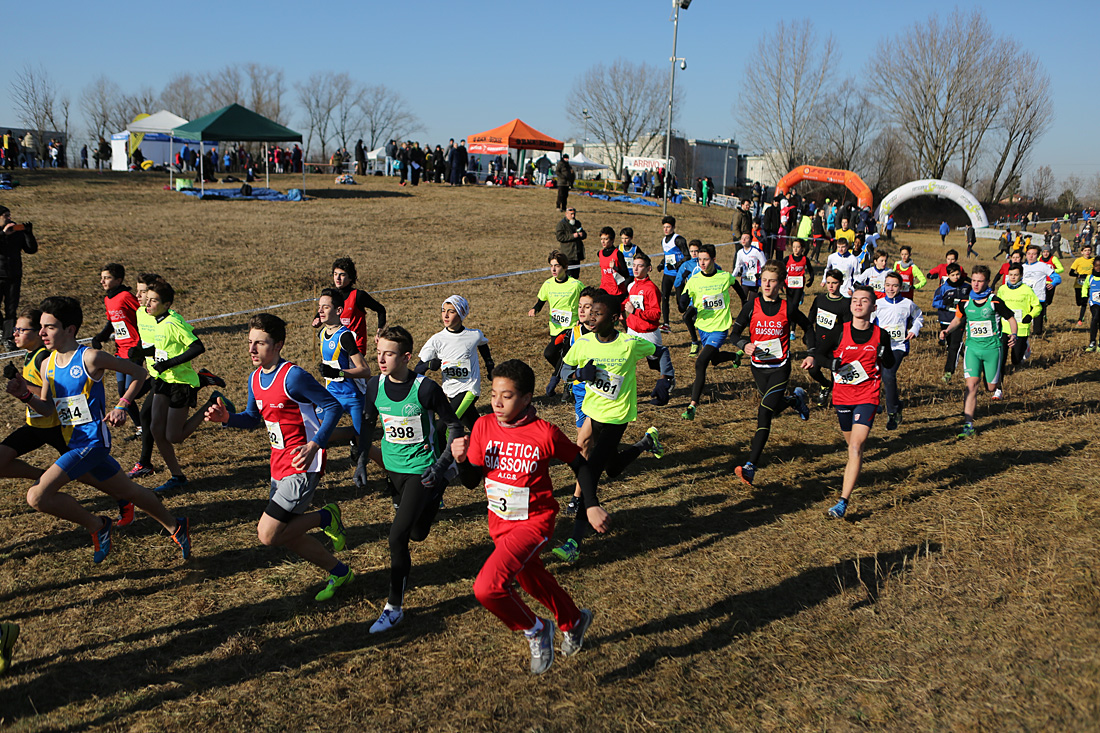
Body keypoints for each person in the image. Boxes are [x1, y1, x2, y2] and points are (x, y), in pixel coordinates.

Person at [6, 296, 191, 562]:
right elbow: (47, 409)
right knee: (129, 491)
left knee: (37, 496)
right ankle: (176, 525)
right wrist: (24, 395)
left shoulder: (90, 358)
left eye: (50, 327)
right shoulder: (47, 364)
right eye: (42, 327)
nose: (42, 333)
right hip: (74, 443)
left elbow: (139, 374)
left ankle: (98, 525)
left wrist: (122, 405)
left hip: (92, 443)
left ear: (69, 330)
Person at [455, 359, 603, 674]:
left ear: (526, 399)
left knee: (487, 587)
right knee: (531, 578)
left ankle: (536, 629)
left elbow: (581, 464)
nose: (496, 402)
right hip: (500, 524)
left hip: (535, 522)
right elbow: (470, 480)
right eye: (494, 393)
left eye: (506, 396)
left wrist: (590, 503)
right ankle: (574, 620)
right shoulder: (483, 426)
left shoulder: (544, 434)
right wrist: (459, 459)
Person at [205, 314, 351, 602]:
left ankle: (325, 516)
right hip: (277, 465)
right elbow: (251, 418)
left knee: (268, 534)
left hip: (301, 464)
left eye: (260, 343)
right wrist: (226, 419)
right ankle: (340, 572)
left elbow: (333, 408)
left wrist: (314, 445)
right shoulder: (255, 378)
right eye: (250, 342)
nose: (252, 349)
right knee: (289, 535)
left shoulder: (293, 377)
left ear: (278, 344)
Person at [353, 325, 465, 633]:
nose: (381, 359)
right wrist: (363, 460)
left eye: (389, 353)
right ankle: (436, 494)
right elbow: (367, 424)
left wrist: (441, 466)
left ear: (406, 356)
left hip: (422, 469)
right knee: (417, 534)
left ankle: (394, 608)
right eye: (378, 353)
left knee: (396, 537)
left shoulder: (426, 389)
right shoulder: (375, 386)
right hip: (393, 469)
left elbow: (454, 428)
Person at [554, 292, 663, 562]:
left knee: (590, 472)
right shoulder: (584, 342)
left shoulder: (628, 343)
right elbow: (563, 371)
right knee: (612, 468)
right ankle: (646, 443)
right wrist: (580, 374)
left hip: (617, 417)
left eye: (597, 313)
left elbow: (659, 351)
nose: (590, 317)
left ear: (614, 318)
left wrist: (665, 377)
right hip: (592, 413)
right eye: (589, 312)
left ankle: (574, 542)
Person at [128, 279, 223, 493]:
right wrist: (142, 353)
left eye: (153, 301)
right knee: (155, 428)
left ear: (167, 303)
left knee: (174, 436)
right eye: (148, 300)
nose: (148, 304)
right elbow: (163, 351)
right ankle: (177, 476)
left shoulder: (174, 322)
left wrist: (168, 364)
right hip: (164, 380)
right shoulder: (158, 322)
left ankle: (211, 401)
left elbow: (198, 347)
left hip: (181, 383)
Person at [729, 261, 814, 486]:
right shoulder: (751, 305)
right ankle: (795, 400)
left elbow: (808, 328)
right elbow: (734, 333)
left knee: (765, 410)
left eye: (772, 281)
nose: (767, 285)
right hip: (758, 367)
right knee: (774, 405)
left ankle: (750, 466)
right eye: (764, 280)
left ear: (780, 284)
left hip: (780, 367)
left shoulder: (788, 307)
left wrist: (811, 352)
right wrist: (743, 344)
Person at [814, 285, 895, 519]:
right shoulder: (840, 330)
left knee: (855, 447)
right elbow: (819, 354)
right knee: (852, 448)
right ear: (850, 306)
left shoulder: (881, 335)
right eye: (855, 300)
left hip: (868, 395)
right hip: (842, 397)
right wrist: (832, 364)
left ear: (873, 307)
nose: (858, 304)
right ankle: (856, 465)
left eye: (864, 301)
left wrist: (883, 354)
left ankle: (842, 502)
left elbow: (889, 364)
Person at [939, 266, 1017, 436]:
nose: (975, 284)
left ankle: (991, 380)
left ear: (987, 282)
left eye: (980, 281)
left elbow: (1011, 318)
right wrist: (947, 331)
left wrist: (1014, 334)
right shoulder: (965, 302)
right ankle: (968, 425)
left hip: (992, 349)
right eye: (973, 280)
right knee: (971, 385)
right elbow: (957, 320)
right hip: (972, 349)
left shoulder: (994, 301)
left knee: (990, 387)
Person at [415, 294, 494, 432]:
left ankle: (449, 454)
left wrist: (490, 366)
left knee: (443, 429)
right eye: (443, 310)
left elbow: (483, 344)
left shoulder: (473, 335)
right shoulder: (436, 340)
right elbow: (417, 369)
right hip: (450, 392)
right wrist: (428, 365)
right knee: (476, 428)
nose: (445, 315)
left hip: (470, 390)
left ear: (462, 314)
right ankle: (492, 447)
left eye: (451, 311)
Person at [680, 244, 741, 421]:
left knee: (701, 362)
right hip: (703, 327)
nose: (703, 263)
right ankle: (734, 356)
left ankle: (692, 405)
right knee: (714, 359)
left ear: (714, 260)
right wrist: (682, 301)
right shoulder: (695, 279)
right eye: (700, 259)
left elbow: (738, 288)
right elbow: (684, 299)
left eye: (706, 259)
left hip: (720, 328)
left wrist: (746, 305)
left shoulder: (724, 277)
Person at [316, 288, 372, 450]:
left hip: (352, 396)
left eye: (325, 307)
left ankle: (357, 437)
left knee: (365, 447)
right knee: (318, 432)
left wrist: (339, 373)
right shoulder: (322, 333)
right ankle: (352, 434)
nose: (320, 310)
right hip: (332, 394)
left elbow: (365, 370)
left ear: (338, 310)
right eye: (320, 306)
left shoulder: (345, 336)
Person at [90, 263, 143, 429]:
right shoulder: (108, 299)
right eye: (102, 277)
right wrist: (101, 336)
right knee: (123, 393)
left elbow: (143, 316)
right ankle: (141, 427)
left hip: (134, 347)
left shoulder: (126, 296)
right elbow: (113, 322)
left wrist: (142, 344)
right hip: (121, 351)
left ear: (119, 280)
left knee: (131, 392)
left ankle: (157, 382)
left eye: (107, 278)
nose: (102, 281)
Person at [871, 272, 924, 430]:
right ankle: (881, 404)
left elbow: (919, 317)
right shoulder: (878, 304)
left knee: (888, 375)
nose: (891, 288)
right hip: (880, 346)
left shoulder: (907, 303)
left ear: (901, 287)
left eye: (894, 285)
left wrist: (914, 329)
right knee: (874, 375)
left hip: (899, 346)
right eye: (888, 285)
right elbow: (868, 321)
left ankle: (892, 414)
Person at [528, 251, 584, 396]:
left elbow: (586, 301)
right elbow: (541, 301)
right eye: (551, 266)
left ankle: (555, 382)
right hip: (555, 328)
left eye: (557, 266)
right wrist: (535, 309)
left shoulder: (576, 285)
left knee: (550, 352)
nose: (553, 269)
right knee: (557, 357)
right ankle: (570, 378)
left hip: (571, 329)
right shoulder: (547, 284)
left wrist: (582, 319)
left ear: (565, 267)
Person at [625, 252, 674, 406]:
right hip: (632, 331)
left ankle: (667, 381)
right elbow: (629, 301)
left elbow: (656, 315)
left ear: (649, 269)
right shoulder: (632, 285)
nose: (636, 268)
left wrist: (635, 311)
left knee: (655, 362)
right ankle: (625, 393)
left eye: (640, 266)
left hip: (648, 333)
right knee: (625, 362)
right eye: (634, 265)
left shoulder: (651, 289)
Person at [316, 257, 387, 355]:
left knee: (347, 371)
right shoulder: (332, 295)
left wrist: (380, 330)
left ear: (350, 277)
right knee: (336, 370)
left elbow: (381, 309)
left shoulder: (358, 295)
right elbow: (323, 311)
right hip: (336, 345)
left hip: (355, 348)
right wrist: (317, 319)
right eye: (335, 274)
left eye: (342, 275)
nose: (337, 278)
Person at [806, 270, 851, 406]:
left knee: (836, 373)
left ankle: (837, 401)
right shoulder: (819, 299)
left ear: (841, 283)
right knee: (813, 369)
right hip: (819, 343)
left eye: (835, 283)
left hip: (835, 346)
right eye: (829, 282)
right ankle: (825, 385)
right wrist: (808, 337)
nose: (831, 286)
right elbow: (810, 319)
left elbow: (848, 327)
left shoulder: (845, 303)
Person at [0, 206, 37, 349]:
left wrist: (28, 234)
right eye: (5, 216)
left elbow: (31, 249)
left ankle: (8, 338)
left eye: (9, 215)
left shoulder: (16, 231)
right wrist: (3, 234)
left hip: (14, 276)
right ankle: (3, 329)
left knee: (11, 308)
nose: (9, 218)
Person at [996, 262, 1041, 370]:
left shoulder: (1027, 290)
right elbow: (997, 306)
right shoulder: (1002, 289)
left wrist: (1030, 316)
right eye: (1011, 274)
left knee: (1016, 360)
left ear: (1021, 275)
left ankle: (1025, 346)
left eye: (1016, 275)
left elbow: (1038, 307)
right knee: (1001, 356)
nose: (1013, 277)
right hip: (1005, 327)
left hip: (1021, 328)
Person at [932, 263, 972, 382]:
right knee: (950, 345)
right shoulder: (943, 288)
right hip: (946, 319)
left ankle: (948, 372)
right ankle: (962, 351)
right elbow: (934, 303)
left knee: (955, 344)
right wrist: (944, 303)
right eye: (953, 275)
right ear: (948, 275)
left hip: (960, 320)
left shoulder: (967, 287)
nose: (956, 277)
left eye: (958, 274)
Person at [658, 216, 688, 333]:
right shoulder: (663, 240)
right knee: (664, 297)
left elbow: (687, 256)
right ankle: (666, 324)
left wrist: (676, 265)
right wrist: (661, 264)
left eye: (668, 227)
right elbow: (666, 255)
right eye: (664, 227)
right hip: (667, 274)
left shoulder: (679, 240)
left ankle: (692, 313)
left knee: (680, 305)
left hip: (677, 274)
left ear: (674, 227)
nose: (666, 229)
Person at [1021, 245, 1055, 337]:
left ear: (1038, 255)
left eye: (1033, 254)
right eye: (1029, 254)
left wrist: (1052, 283)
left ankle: (1037, 334)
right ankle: (1024, 333)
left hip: (1038, 296)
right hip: (1025, 297)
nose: (1031, 256)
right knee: (1024, 316)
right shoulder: (1022, 267)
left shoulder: (1043, 266)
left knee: (1037, 319)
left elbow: (1057, 277)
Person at [596, 226, 630, 307]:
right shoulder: (600, 253)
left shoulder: (617, 254)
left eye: (606, 239)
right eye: (601, 239)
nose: (603, 242)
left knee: (619, 316)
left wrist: (616, 269)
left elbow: (626, 274)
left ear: (612, 240)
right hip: (604, 288)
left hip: (616, 290)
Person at [783, 240, 815, 319]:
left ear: (802, 248)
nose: (795, 249)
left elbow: (811, 270)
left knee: (795, 305)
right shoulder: (787, 259)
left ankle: (793, 329)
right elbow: (781, 270)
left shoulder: (805, 259)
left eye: (798, 247)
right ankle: (790, 321)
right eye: (794, 247)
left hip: (799, 285)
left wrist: (811, 278)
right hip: (789, 284)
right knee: (789, 305)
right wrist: (781, 282)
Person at [733, 232, 768, 301]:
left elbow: (764, 264)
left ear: (751, 241)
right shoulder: (740, 252)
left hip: (754, 280)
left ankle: (758, 297)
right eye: (742, 238)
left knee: (751, 301)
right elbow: (737, 266)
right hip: (745, 279)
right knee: (743, 299)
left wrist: (760, 274)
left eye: (746, 238)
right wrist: (732, 277)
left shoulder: (757, 251)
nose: (743, 240)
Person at [554, 207, 586, 280]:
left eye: (574, 214)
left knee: (576, 276)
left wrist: (582, 234)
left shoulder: (577, 223)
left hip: (576, 255)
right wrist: (572, 236)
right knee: (568, 276)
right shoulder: (561, 224)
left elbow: (584, 234)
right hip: (568, 255)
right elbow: (560, 237)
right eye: (571, 214)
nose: (573, 216)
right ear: (566, 214)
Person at [1070, 244, 1095, 325]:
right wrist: (1079, 275)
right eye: (1085, 250)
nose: (1087, 252)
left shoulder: (1093, 260)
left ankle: (1080, 319)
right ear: (1082, 252)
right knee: (1079, 302)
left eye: (1089, 250)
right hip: (1079, 284)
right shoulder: (1078, 260)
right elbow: (1071, 273)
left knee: (1084, 302)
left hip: (1089, 284)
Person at [1080, 259, 1100, 351]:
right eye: (1096, 266)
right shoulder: (1090, 277)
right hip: (1094, 303)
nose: (1098, 268)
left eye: (1099, 265)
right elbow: (1085, 287)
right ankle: (1092, 342)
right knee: (1095, 318)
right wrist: (1084, 297)